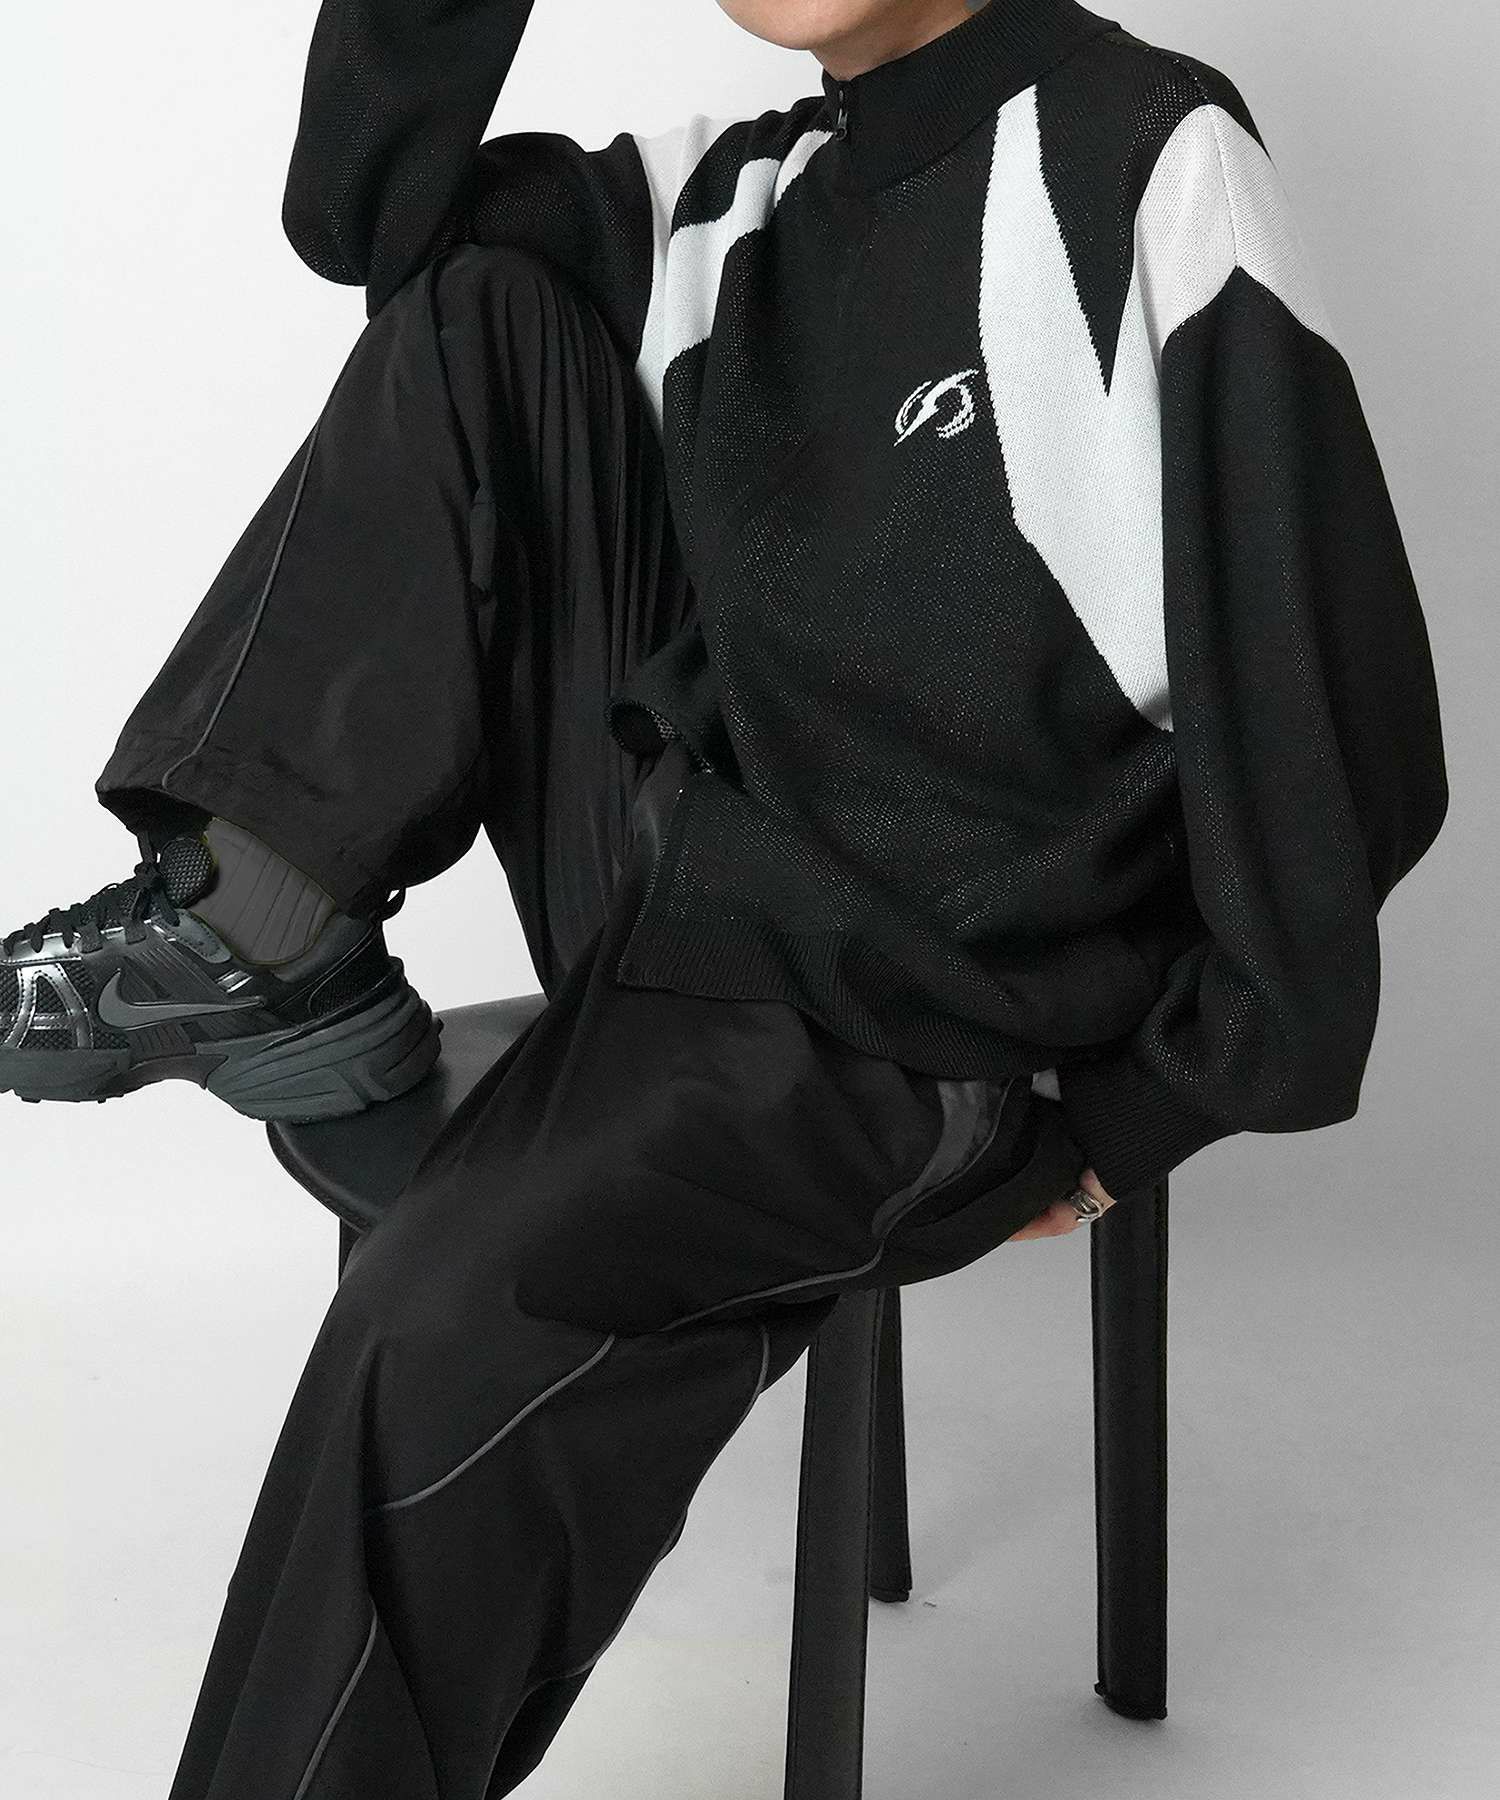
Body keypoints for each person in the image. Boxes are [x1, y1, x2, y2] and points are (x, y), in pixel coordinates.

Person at [2, 1, 1448, 1793]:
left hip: (928, 1001)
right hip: (689, 881)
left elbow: (1342, 731)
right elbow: (370, 220)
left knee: (436, 1320)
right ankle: (263, 925)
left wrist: (1131, 1117)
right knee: (475, 301)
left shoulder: (1151, 154)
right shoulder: (735, 191)